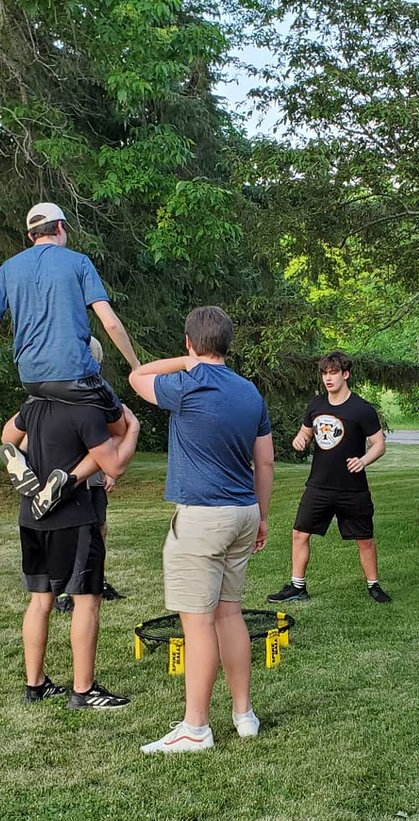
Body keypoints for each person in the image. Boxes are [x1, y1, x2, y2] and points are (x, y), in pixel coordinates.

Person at [129, 306, 275, 753]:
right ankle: (244, 714)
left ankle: (195, 728)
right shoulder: (249, 391)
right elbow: (265, 461)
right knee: (230, 614)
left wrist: (186, 361)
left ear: (190, 342)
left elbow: (138, 376)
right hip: (244, 513)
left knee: (198, 625)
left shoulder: (187, 384)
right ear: (228, 343)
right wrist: (263, 516)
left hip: (202, 519)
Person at [0, 202, 141, 517]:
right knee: (121, 428)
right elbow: (110, 323)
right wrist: (135, 366)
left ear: (31, 235)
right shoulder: (79, 262)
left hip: (33, 378)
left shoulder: (8, 268)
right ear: (60, 227)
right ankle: (69, 481)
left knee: (19, 429)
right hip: (76, 375)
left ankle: (16, 456)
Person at [0, 376, 140, 707]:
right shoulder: (88, 408)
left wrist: (24, 453)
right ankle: (83, 690)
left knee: (40, 600)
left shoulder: (34, 404)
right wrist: (132, 429)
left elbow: (8, 437)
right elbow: (115, 465)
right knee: (86, 600)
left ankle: (35, 685)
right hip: (72, 517)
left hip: (30, 516)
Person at [267, 352, 389, 603]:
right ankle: (297, 587)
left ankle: (374, 586)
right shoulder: (316, 405)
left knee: (364, 540)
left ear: (346, 374)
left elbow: (379, 444)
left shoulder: (361, 409)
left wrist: (363, 461)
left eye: (333, 373)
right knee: (300, 533)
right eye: (324, 373)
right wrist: (300, 439)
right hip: (319, 486)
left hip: (352, 488)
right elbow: (305, 433)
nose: (328, 378)